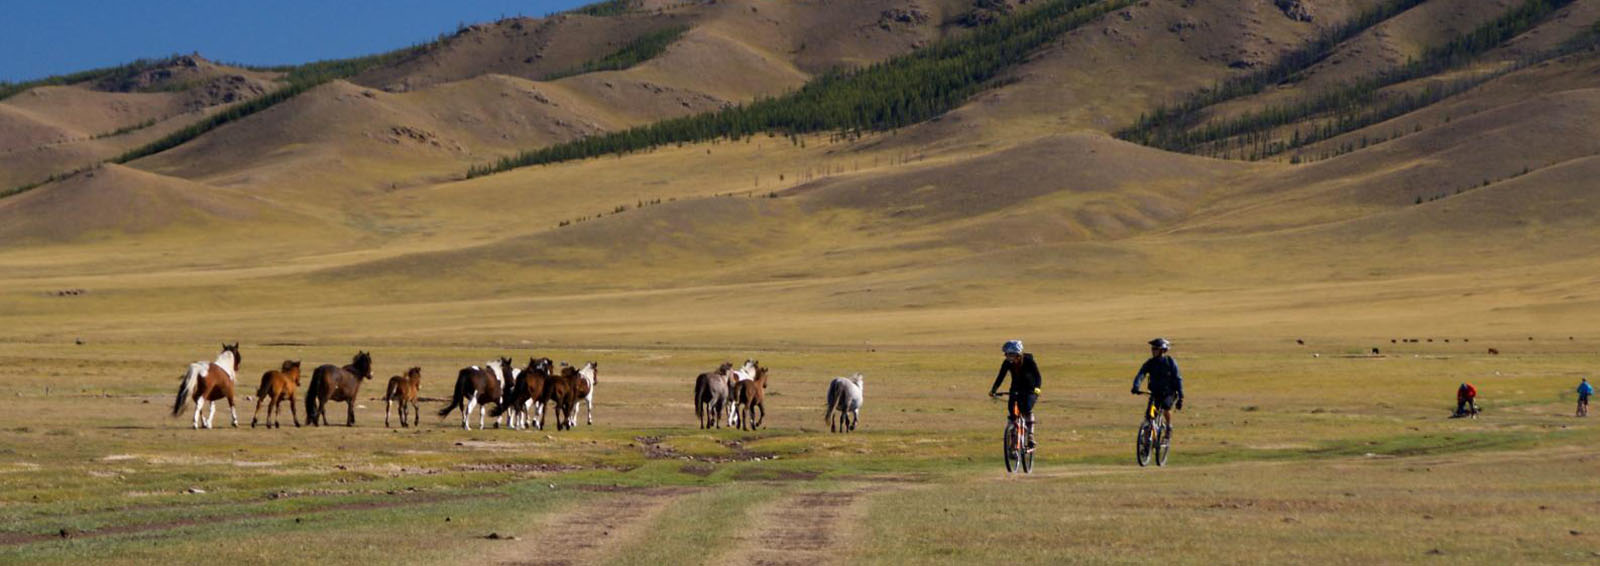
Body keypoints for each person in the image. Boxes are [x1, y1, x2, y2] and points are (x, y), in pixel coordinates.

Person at [989, 340, 1041, 449]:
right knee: (1012, 412)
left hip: (1029, 389)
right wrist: (993, 389)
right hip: (1015, 389)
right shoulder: (1007, 363)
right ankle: (1012, 438)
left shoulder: (1028, 361)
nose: (1008, 357)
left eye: (1010, 354)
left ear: (1017, 354)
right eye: (1007, 354)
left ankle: (1030, 436)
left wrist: (1037, 389)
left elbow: (1037, 376)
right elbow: (1001, 376)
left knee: (1026, 409)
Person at [1131, 338, 1184, 433]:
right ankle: (1147, 438)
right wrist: (1136, 386)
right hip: (1155, 392)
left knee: (1166, 407)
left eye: (1156, 349)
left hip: (1169, 393)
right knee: (1149, 415)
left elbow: (1178, 378)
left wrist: (1181, 396)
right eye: (1153, 349)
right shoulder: (1150, 363)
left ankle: (1168, 426)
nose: (1153, 351)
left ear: (1163, 350)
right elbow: (1141, 374)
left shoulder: (1170, 362)